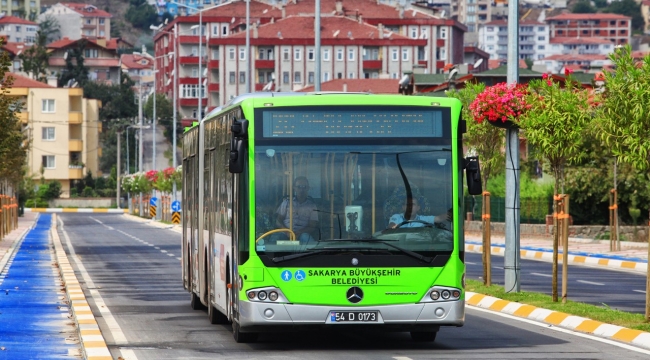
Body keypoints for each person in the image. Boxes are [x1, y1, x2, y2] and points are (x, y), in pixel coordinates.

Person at [272, 176, 319, 243]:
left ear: (308, 188)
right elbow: (278, 220)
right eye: (299, 187)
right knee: (274, 239)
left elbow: (312, 226)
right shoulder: (286, 202)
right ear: (294, 188)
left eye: (304, 187)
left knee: (309, 241)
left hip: (302, 234)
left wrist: (299, 232)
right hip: (285, 232)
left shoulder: (312, 206)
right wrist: (287, 231)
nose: (301, 190)